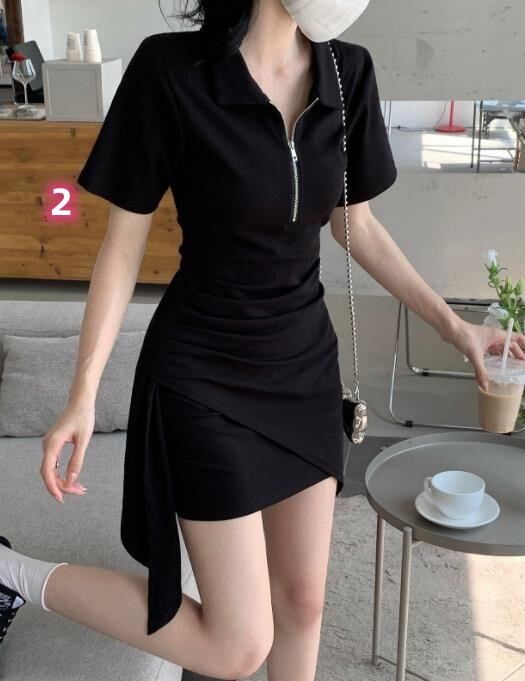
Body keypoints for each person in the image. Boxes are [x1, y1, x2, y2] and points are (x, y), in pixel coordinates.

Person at [1, 0, 525, 676]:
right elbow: (121, 249)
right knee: (237, 644)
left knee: (303, 603)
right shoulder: (170, 71)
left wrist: (456, 329)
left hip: (304, 369)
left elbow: (355, 225)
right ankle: (14, 572)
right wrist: (83, 394)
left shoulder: (348, 73)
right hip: (202, 375)